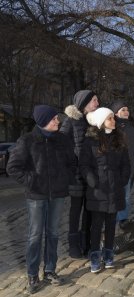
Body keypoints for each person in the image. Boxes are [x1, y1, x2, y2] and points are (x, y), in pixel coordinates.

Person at [7, 105, 76, 294]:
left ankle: (50, 270)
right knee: (35, 235)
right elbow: (12, 168)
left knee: (53, 233)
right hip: (36, 195)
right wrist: (32, 181)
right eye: (54, 118)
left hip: (58, 195)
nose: (58, 121)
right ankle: (32, 274)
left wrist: (65, 179)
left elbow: (72, 163)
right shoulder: (27, 140)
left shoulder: (62, 139)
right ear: (44, 121)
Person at [79, 107, 130, 273]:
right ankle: (95, 256)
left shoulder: (119, 140)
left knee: (111, 224)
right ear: (101, 122)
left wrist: (122, 180)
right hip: (98, 190)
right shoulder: (90, 141)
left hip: (115, 188)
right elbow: (84, 165)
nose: (113, 121)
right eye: (110, 119)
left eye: (113, 118)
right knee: (96, 226)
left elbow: (125, 164)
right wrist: (93, 181)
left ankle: (109, 255)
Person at [60, 90, 99, 258]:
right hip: (76, 175)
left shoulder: (94, 121)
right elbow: (61, 146)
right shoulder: (70, 121)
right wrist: (71, 167)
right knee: (75, 211)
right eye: (94, 100)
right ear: (84, 103)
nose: (97, 103)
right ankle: (73, 245)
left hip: (91, 173)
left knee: (89, 210)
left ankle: (86, 242)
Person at [110, 100, 134, 230]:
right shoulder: (113, 126)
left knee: (126, 194)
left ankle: (121, 218)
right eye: (122, 109)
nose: (126, 112)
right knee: (124, 195)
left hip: (132, 165)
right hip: (119, 166)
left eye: (127, 109)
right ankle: (121, 219)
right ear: (116, 112)